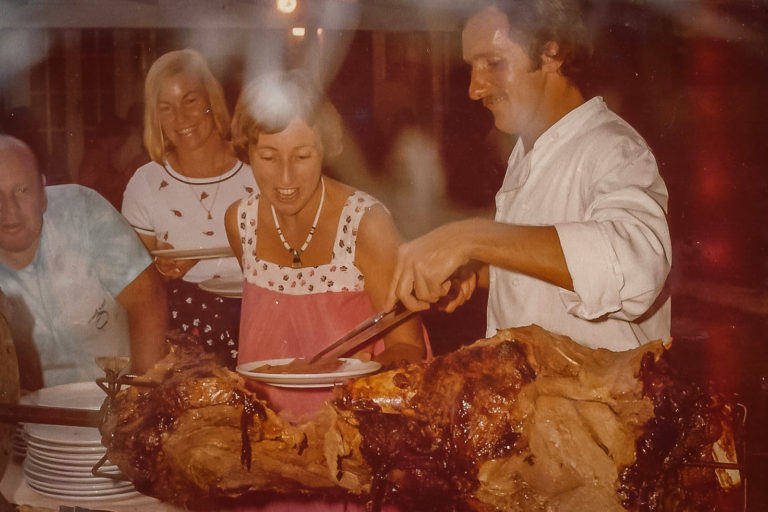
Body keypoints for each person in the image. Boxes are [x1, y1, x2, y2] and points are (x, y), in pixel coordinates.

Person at [387, 0, 672, 351]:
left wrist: (470, 236)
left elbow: (636, 271)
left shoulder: (614, 148)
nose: (474, 89)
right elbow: (556, 270)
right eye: (472, 67)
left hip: (603, 403)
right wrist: (479, 274)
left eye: (493, 63)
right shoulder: (530, 151)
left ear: (552, 53)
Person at [224, 71, 429, 509]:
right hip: (268, 452)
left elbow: (408, 351)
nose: (284, 177)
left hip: (350, 451)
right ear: (247, 151)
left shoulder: (367, 224)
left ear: (326, 148)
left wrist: (345, 371)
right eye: (267, 155)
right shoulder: (238, 222)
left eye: (301, 155)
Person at [122, 49, 258, 369]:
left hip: (261, 318)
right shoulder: (146, 183)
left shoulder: (258, 167)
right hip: (185, 344)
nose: (180, 119)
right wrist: (160, 270)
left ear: (211, 99)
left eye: (190, 101)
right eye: (165, 108)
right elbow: (134, 289)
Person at [0, 135, 168, 390]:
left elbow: (147, 299)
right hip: (19, 417)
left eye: (22, 190)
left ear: (43, 192)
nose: (9, 209)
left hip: (116, 400)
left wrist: (144, 396)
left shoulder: (82, 211)